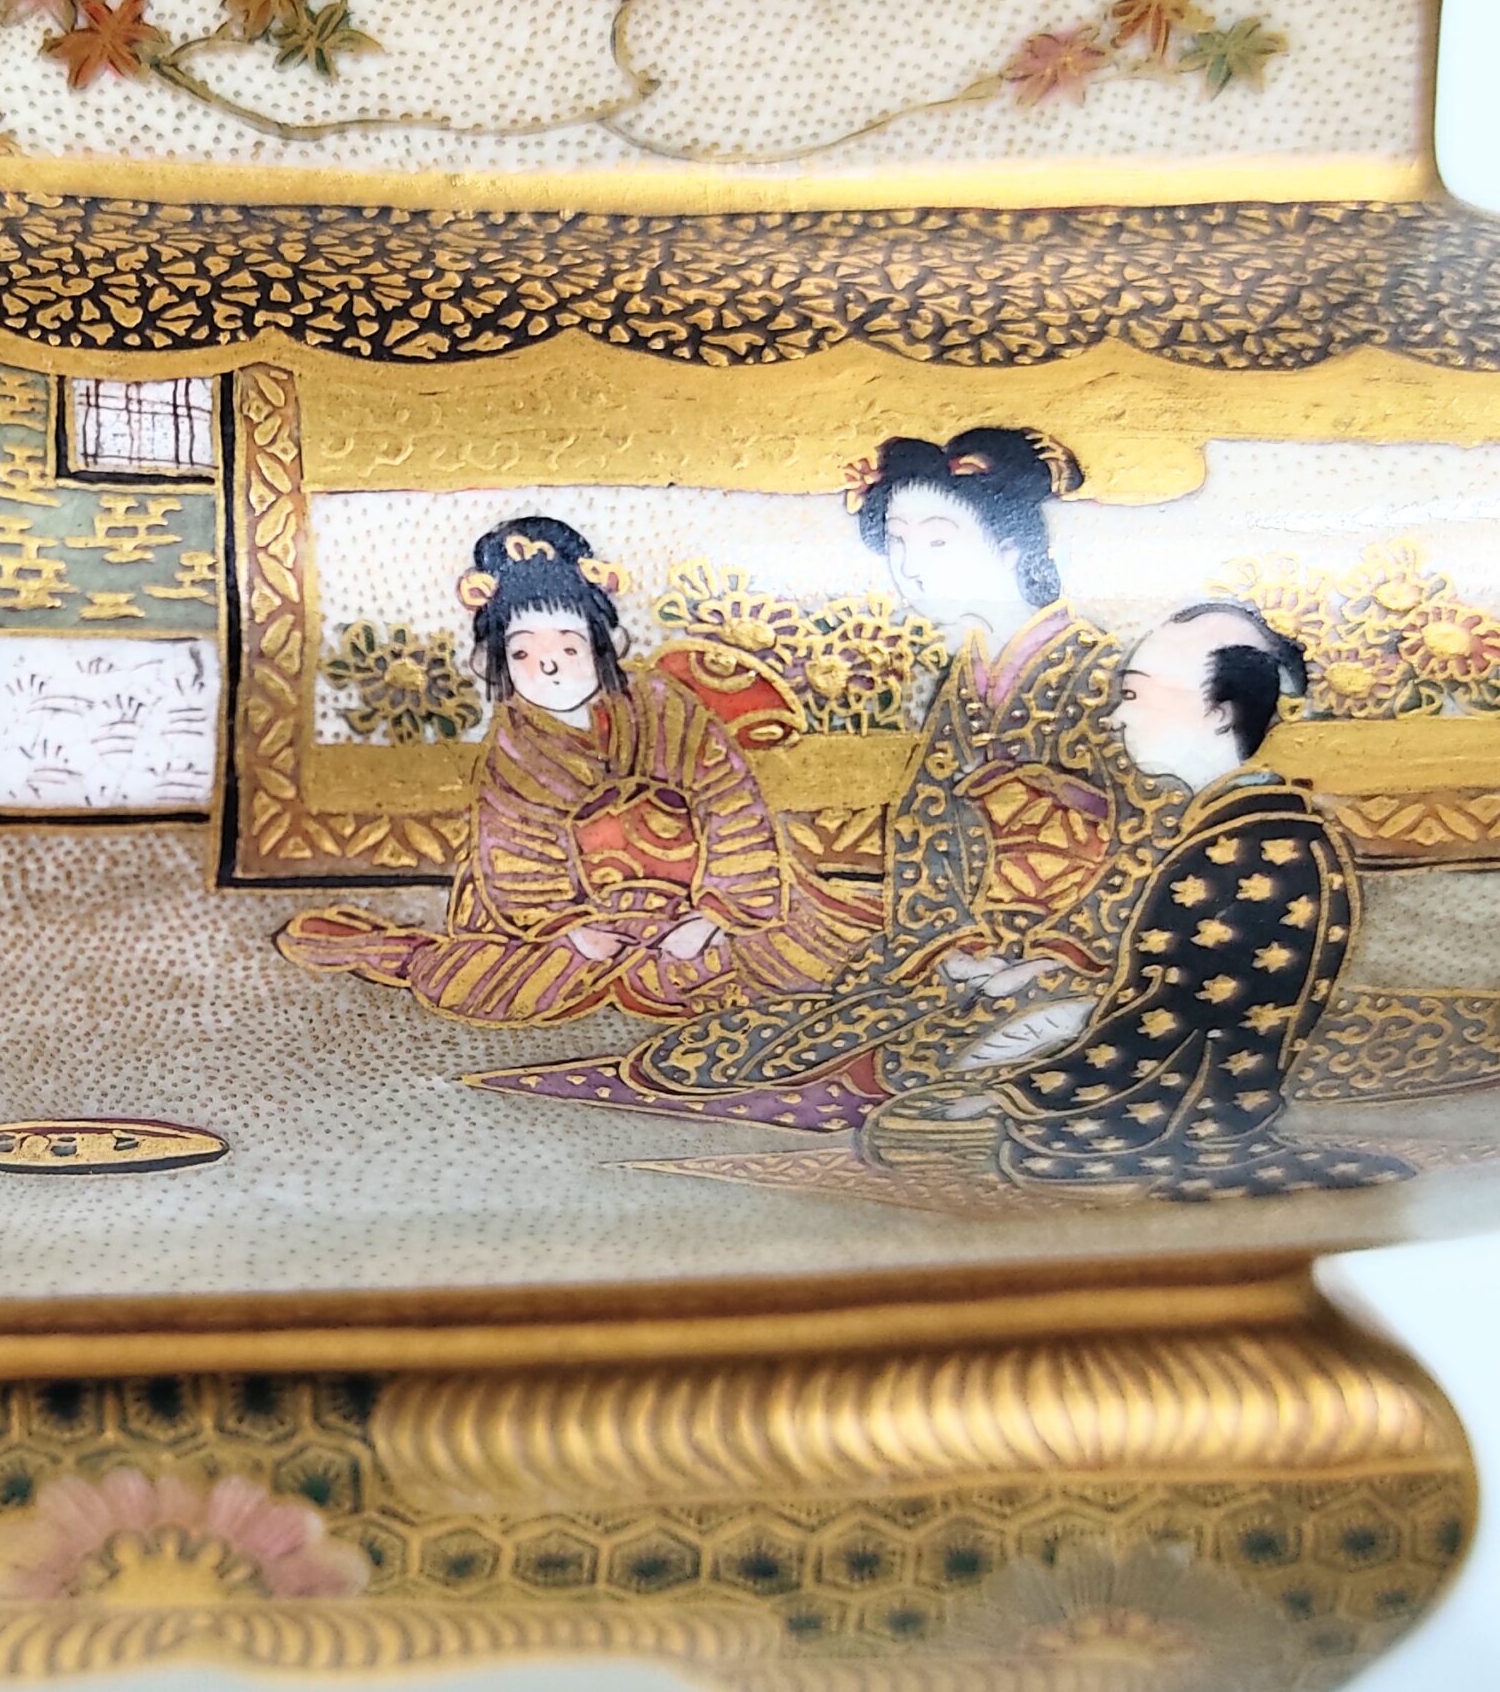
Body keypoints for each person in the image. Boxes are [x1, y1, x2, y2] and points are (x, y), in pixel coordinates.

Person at [539, 426, 1184, 1126]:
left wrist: (1055, 951)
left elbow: (1155, 832)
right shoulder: (970, 675)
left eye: (938, 541)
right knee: (742, 1051)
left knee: (906, 1068)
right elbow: (925, 824)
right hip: (968, 943)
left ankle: (1056, 1024)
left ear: (1011, 548)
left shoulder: (1102, 671)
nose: (911, 566)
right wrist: (955, 943)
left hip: (1084, 945)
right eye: (898, 542)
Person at [863, 604, 1406, 1198]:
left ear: (1218, 713)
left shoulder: (1247, 849)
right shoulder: (1243, 830)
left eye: (1135, 695)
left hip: (1187, 1110)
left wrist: (1015, 1095)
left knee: (926, 1129)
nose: (1118, 718)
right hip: (1154, 1061)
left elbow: (1164, 1023)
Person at [276, 517, 865, 1028]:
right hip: (577, 909)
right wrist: (573, 930)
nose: (549, 667)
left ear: (606, 644)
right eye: (523, 653)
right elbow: (514, 846)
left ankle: (694, 943)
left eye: (568, 646)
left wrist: (714, 915)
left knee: (799, 961)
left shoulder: (663, 707)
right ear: (494, 662)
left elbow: (731, 806)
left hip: (697, 892)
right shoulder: (518, 740)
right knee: (476, 984)